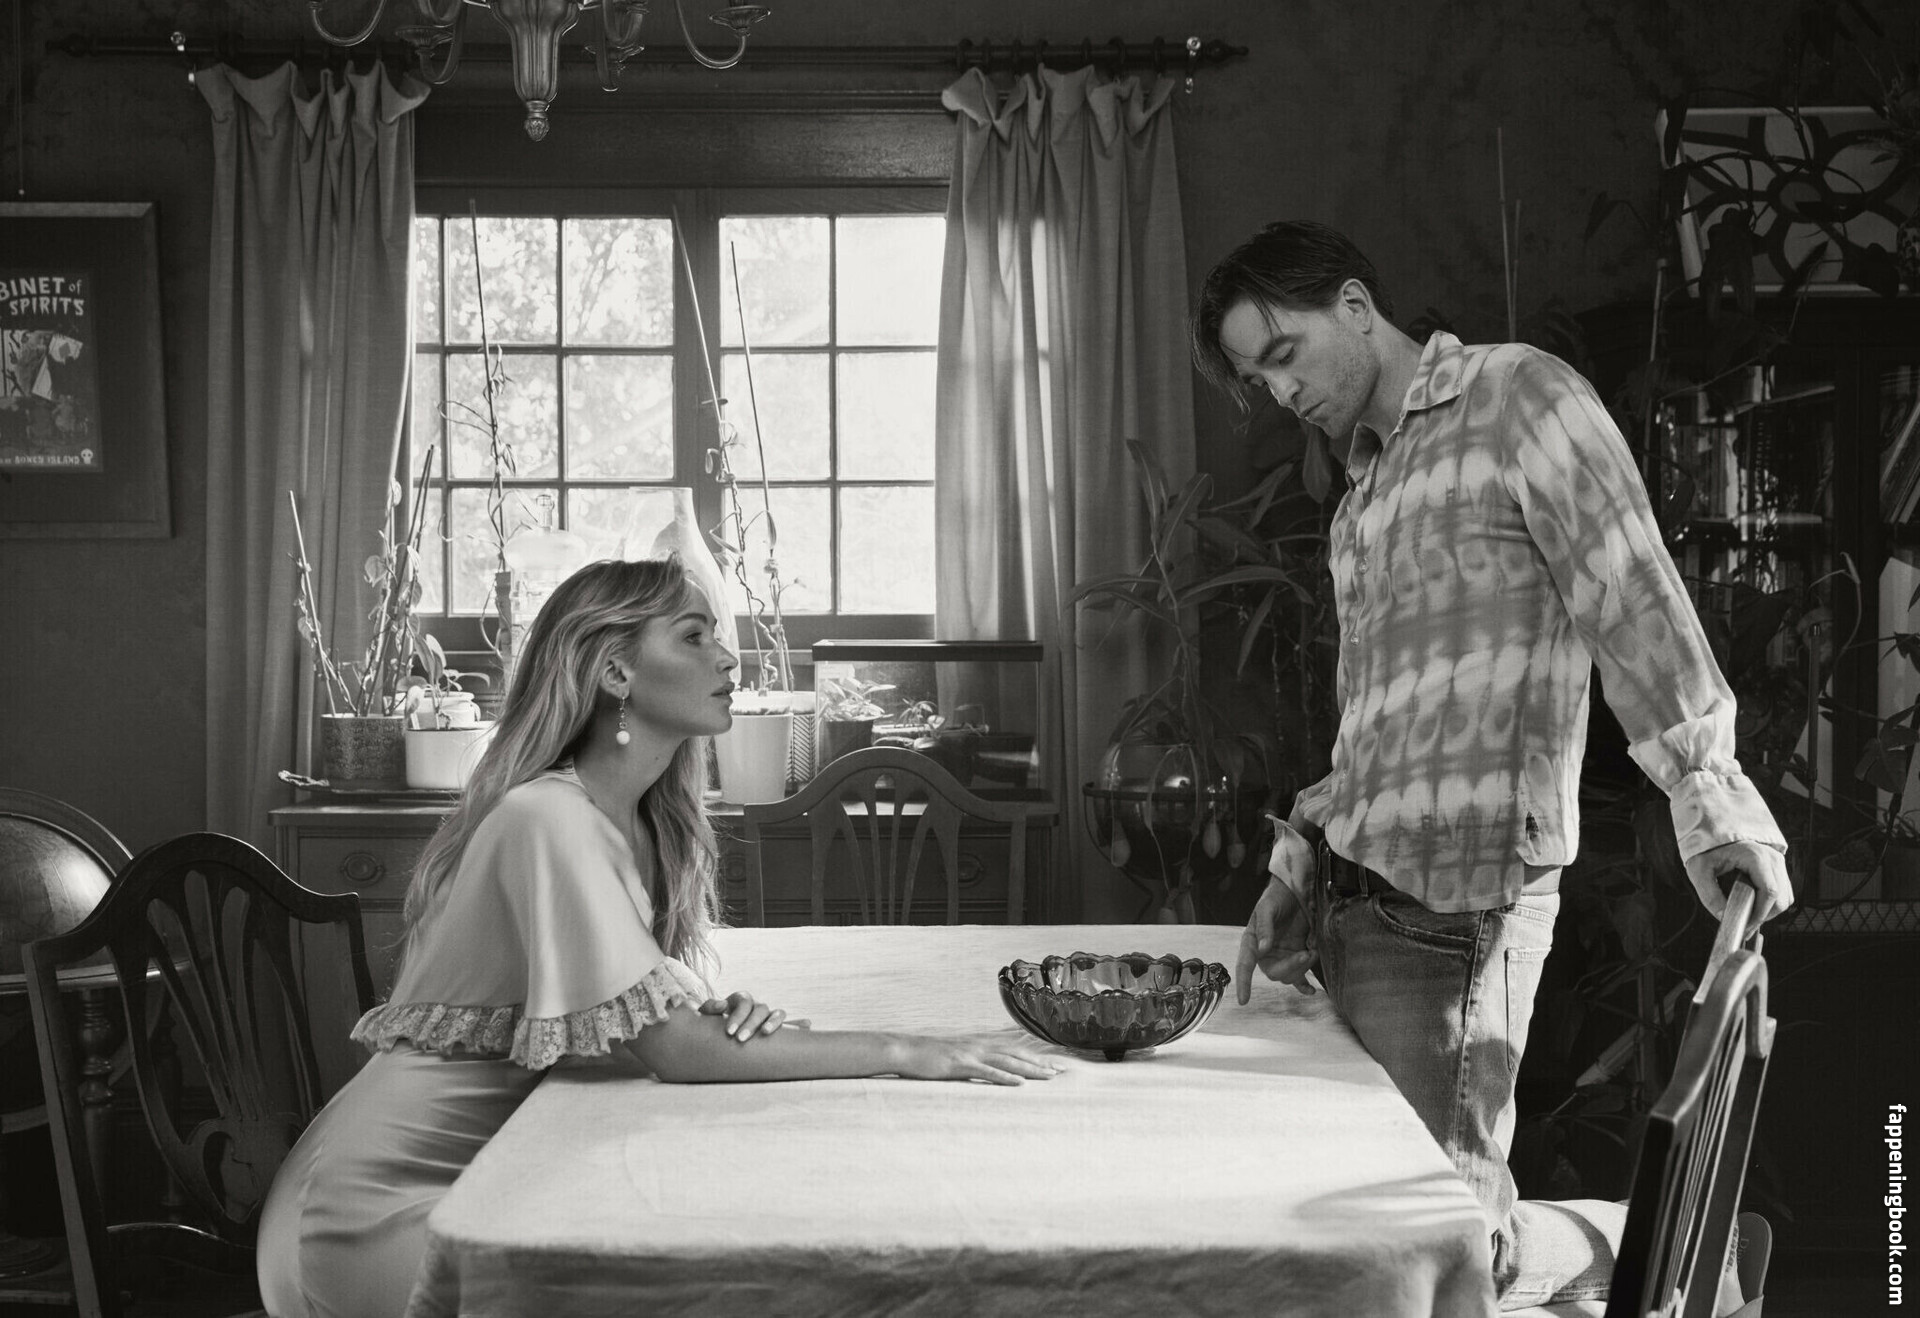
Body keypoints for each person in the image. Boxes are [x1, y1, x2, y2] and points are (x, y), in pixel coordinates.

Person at [1189, 221, 1790, 1313]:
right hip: (1354, 904)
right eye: (1258, 380)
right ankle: (1669, 1247)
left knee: (1435, 1259)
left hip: (1460, 903)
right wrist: (1295, 869)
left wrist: (1709, 795)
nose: (1282, 393)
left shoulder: (1518, 397)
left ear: (1355, 306)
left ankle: (1670, 1249)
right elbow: (1370, 723)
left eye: (1284, 354)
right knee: (1407, 1249)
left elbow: (1630, 593)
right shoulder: (1363, 495)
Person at [257, 557, 1060, 1318]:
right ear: (616, 672)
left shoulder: (637, 821)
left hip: (488, 1179)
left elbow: (638, 1025)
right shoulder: (550, 818)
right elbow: (675, 1054)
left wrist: (705, 1012)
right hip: (376, 1210)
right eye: (694, 637)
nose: (728, 659)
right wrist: (902, 1049)